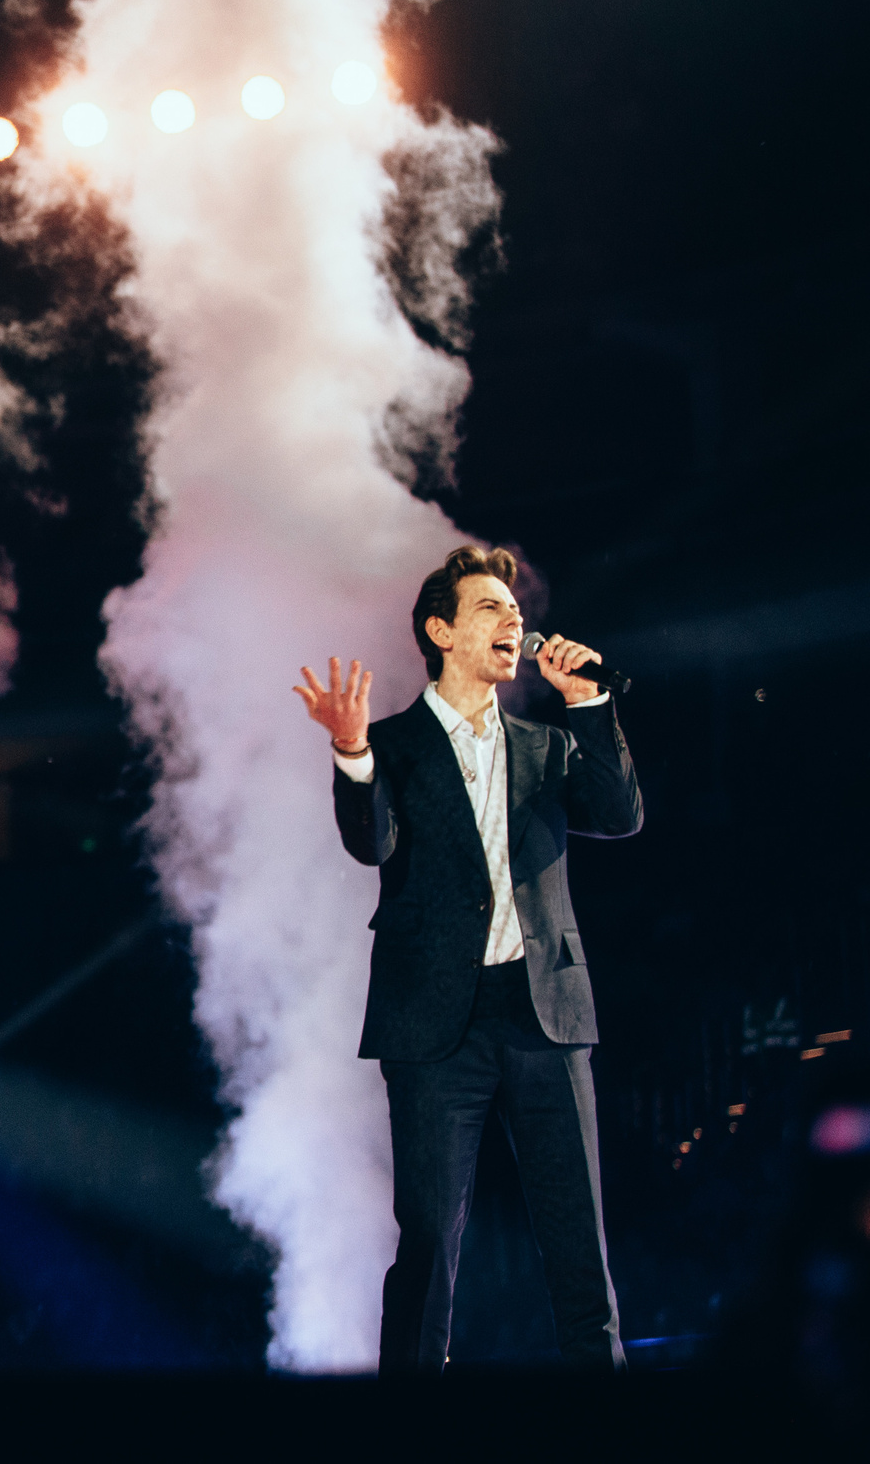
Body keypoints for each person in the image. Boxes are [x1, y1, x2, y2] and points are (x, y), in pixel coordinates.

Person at [294, 543, 643, 1372]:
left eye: (515, 611)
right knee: (428, 1251)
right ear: (441, 631)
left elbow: (620, 811)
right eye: (491, 608)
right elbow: (370, 839)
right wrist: (349, 751)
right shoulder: (393, 745)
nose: (513, 620)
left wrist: (588, 700)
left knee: (578, 1246)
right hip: (433, 1026)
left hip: (546, 1014)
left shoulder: (547, 744)